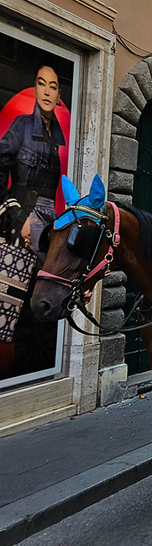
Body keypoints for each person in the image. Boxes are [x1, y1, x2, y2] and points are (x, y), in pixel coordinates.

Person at [0, 65, 66, 377]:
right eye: (41, 84)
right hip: (21, 223)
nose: (47, 91)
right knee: (10, 307)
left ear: (58, 94)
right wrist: (16, 215)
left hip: (51, 223)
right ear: (36, 89)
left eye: (53, 86)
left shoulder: (63, 138)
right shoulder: (22, 125)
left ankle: (38, 368)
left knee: (46, 299)